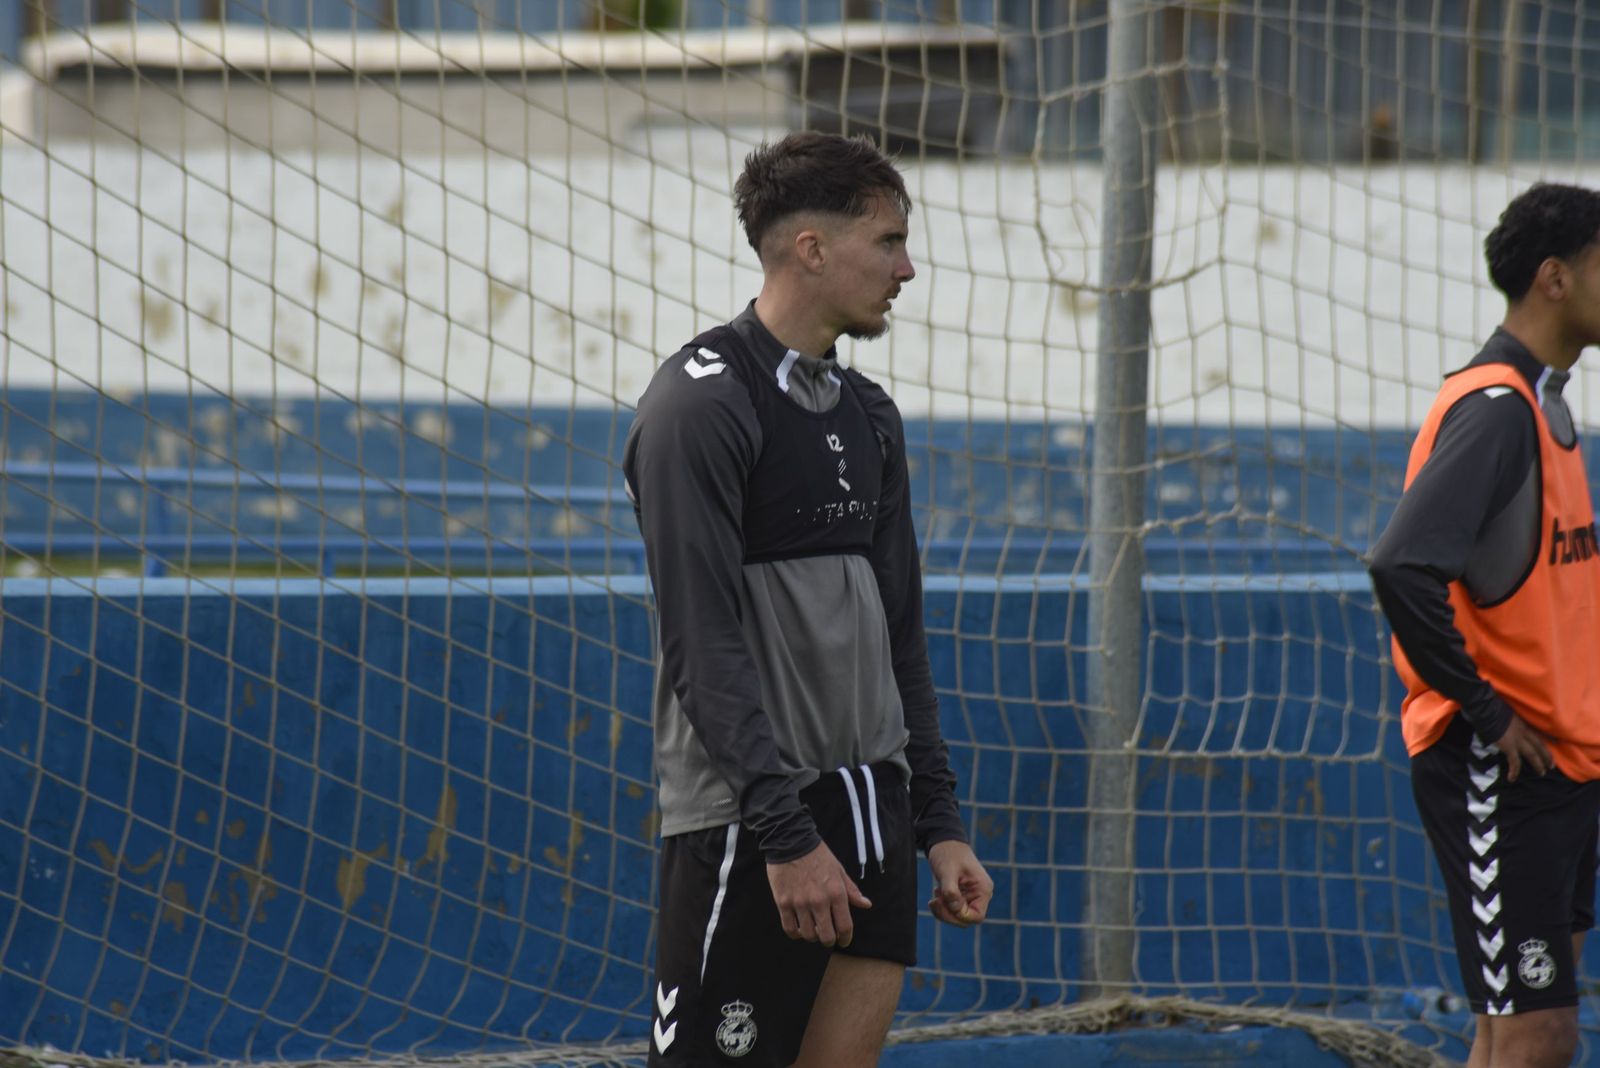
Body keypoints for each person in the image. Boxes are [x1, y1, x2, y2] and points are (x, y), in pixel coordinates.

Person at [622, 131, 993, 1068]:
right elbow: (701, 644)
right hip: (752, 822)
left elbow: (901, 638)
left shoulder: (871, 416)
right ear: (812, 249)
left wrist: (938, 824)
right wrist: (784, 834)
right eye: (888, 241)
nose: (907, 269)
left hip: (873, 811)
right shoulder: (702, 404)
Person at [1369, 182, 1600, 1068]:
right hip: (1501, 765)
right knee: (1538, 1034)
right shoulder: (1497, 408)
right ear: (1554, 278)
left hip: (1561, 762)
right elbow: (1401, 563)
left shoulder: (1546, 404)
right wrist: (1486, 710)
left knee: (1516, 1032)